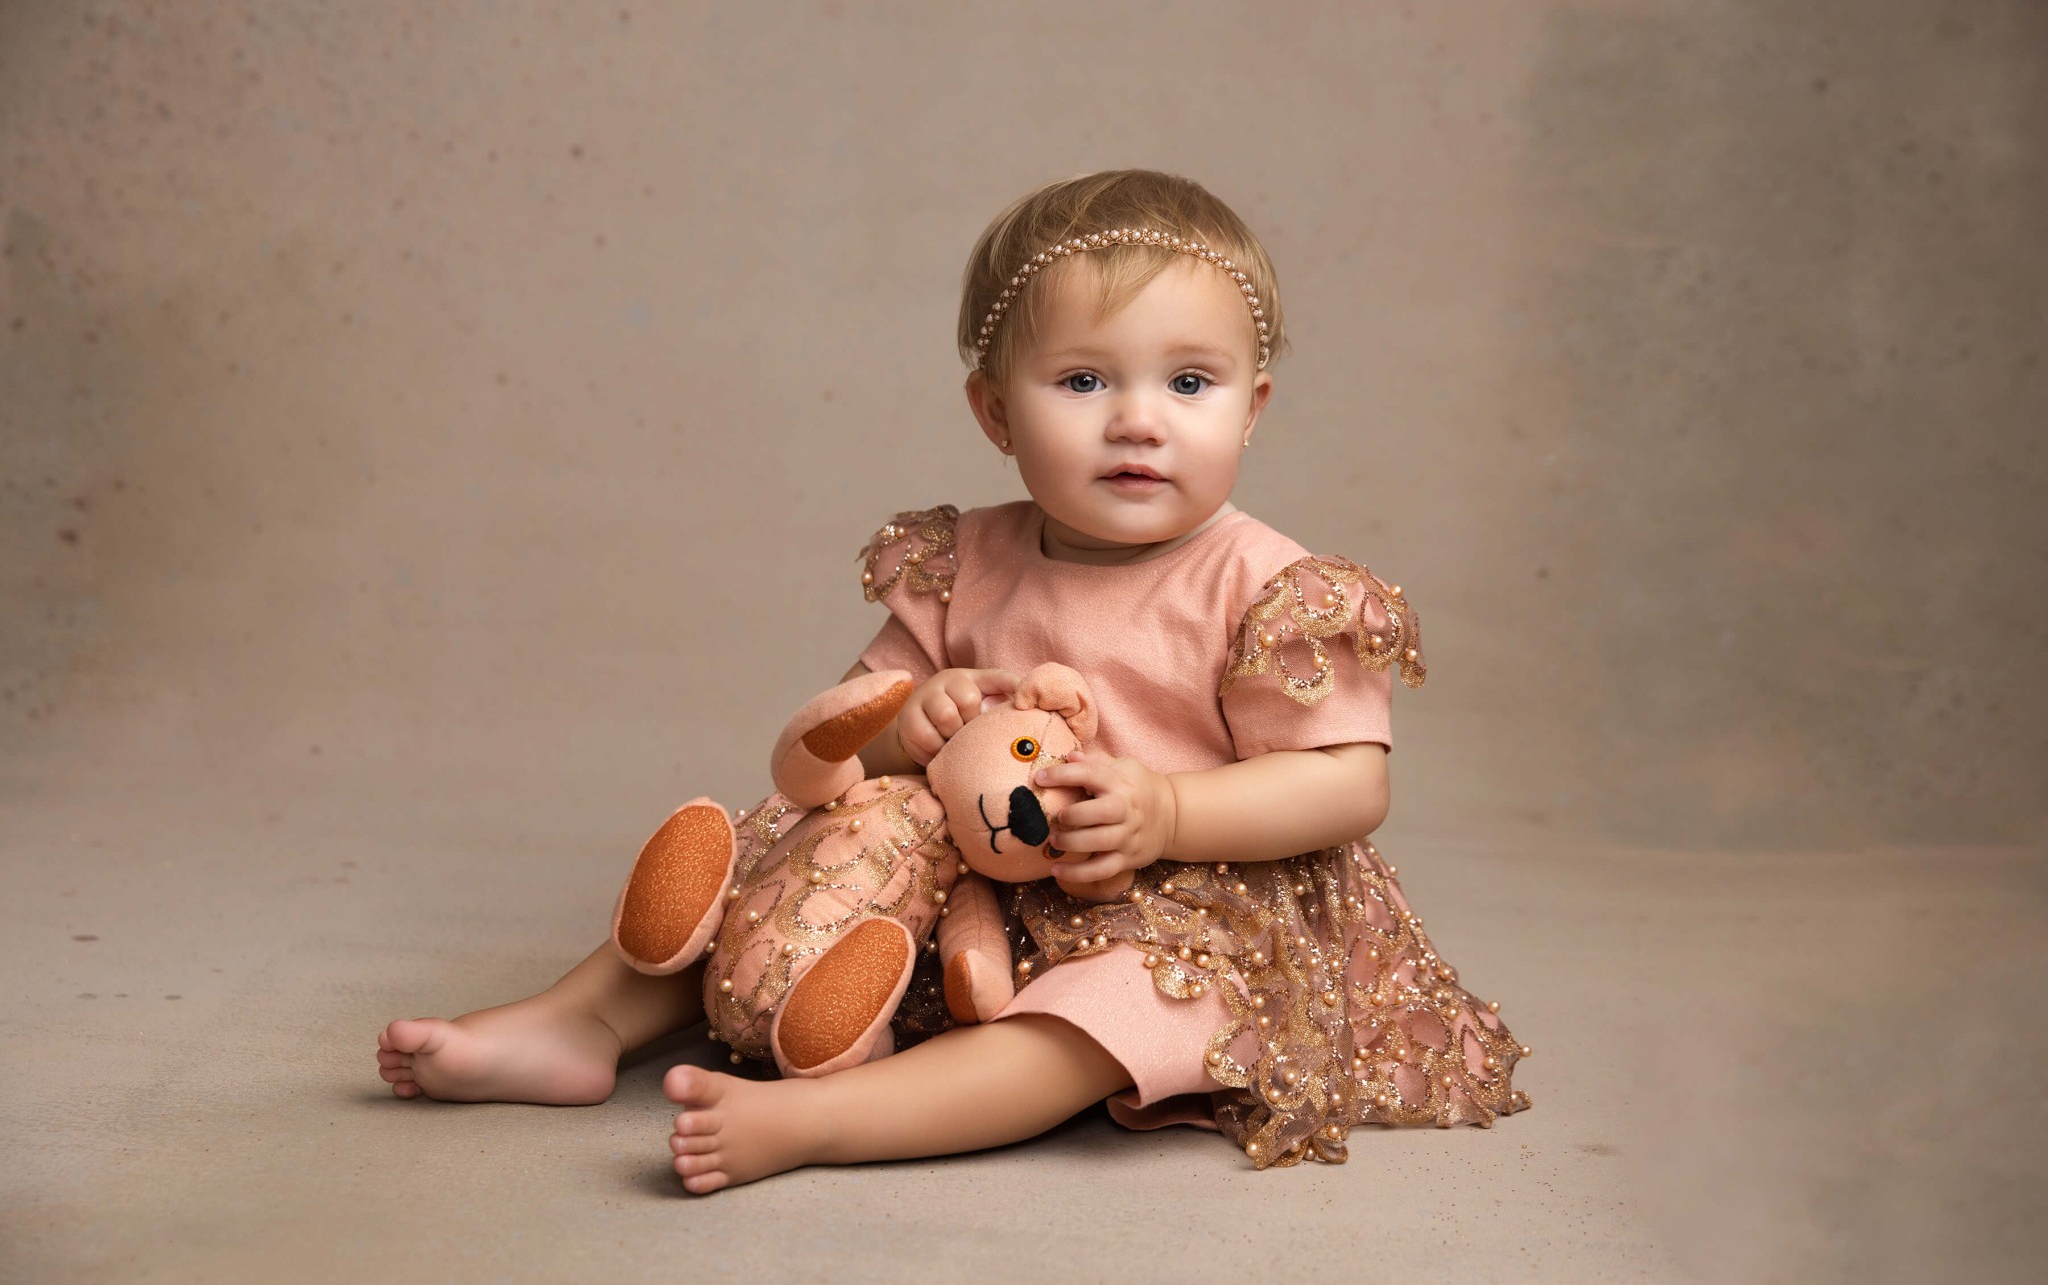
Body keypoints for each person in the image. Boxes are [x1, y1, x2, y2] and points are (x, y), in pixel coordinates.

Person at [376, 168, 1531, 1193]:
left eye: (1189, 383)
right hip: (968, 877)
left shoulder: (1268, 586)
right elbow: (834, 744)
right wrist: (904, 725)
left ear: (1253, 408)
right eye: (1082, 381)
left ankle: (828, 1119)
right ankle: (578, 1021)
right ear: (992, 411)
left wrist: (1169, 809)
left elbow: (1342, 783)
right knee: (774, 852)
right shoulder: (961, 559)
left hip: (1187, 897)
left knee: (1098, 1018)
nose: (1137, 420)